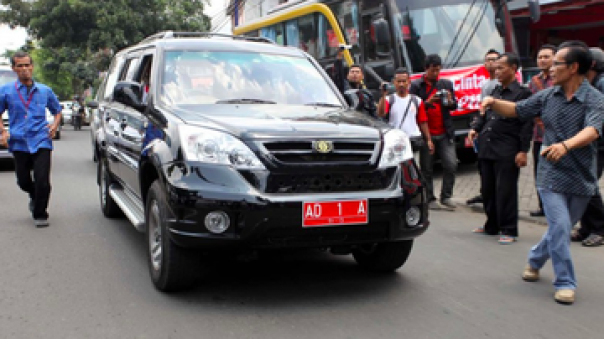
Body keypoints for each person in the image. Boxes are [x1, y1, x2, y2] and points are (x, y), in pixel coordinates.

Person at [480, 41, 604, 305]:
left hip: (582, 176)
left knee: (562, 229)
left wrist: (566, 145)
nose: (550, 67)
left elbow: (593, 130)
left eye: (557, 62)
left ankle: (535, 259)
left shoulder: (595, 99)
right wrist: (492, 101)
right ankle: (565, 282)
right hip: (550, 173)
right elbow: (517, 110)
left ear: (572, 68)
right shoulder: (548, 95)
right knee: (559, 226)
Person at [468, 53, 532, 244]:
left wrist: (523, 150)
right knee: (487, 188)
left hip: (507, 149)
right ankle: (491, 225)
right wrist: (475, 128)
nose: (497, 71)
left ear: (513, 69)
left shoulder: (522, 94)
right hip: (487, 146)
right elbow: (483, 114)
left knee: (505, 190)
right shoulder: (494, 91)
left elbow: (526, 124)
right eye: (495, 68)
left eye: (501, 67)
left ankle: (509, 229)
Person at [0, 51, 62, 227]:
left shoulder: (44, 90)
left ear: (32, 66)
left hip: (41, 139)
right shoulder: (6, 91)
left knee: (43, 180)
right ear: (14, 69)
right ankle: (34, 195)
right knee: (23, 181)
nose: (24, 69)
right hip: (19, 141)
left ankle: (40, 213)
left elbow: (56, 110)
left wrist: (54, 125)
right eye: (20, 66)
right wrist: (3, 132)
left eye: (27, 65)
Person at [409, 54, 458, 210]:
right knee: (427, 168)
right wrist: (427, 103)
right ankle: (430, 198)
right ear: (426, 69)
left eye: (438, 70)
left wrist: (450, 101)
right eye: (433, 70)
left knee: (451, 164)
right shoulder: (417, 86)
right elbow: (412, 108)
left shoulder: (446, 84)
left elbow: (454, 106)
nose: (436, 74)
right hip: (426, 133)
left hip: (445, 132)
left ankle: (446, 196)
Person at [572, 47, 604, 247]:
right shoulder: (591, 83)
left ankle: (599, 229)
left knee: (588, 184)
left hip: (599, 143)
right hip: (590, 142)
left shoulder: (601, 83)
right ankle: (586, 227)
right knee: (582, 184)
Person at [467, 49, 501, 205]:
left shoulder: (501, 84)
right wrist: (476, 127)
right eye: (488, 60)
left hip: (499, 130)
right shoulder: (485, 84)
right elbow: (483, 109)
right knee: (483, 165)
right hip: (485, 129)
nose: (491, 62)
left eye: (494, 59)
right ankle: (485, 193)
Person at [377, 68, 434, 160]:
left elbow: (423, 121)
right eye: (398, 81)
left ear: (409, 82)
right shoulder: (389, 100)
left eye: (404, 81)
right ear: (394, 82)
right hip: (396, 141)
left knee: (415, 168)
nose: (401, 84)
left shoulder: (417, 100)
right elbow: (381, 114)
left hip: (414, 140)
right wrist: (383, 95)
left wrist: (428, 140)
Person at [527, 44, 556, 217]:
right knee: (540, 172)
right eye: (540, 57)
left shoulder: (559, 81)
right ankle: (543, 206)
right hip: (538, 137)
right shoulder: (534, 81)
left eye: (546, 56)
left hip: (559, 138)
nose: (542, 60)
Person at [332, 48, 377, 118]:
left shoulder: (367, 94)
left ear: (362, 76)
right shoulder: (344, 89)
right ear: (347, 76)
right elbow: (338, 77)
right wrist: (339, 58)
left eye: (357, 72)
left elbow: (373, 113)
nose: (354, 74)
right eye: (352, 72)